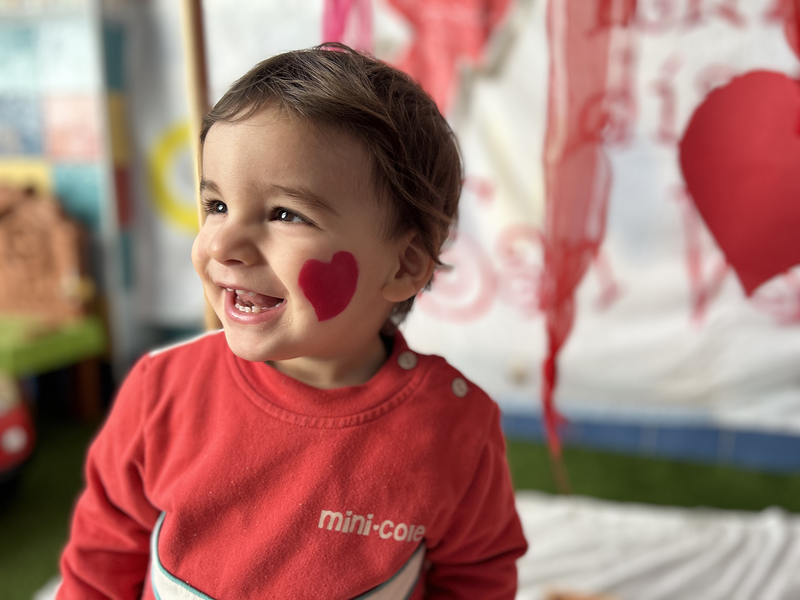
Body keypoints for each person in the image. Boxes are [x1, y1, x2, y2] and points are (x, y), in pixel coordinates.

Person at [58, 43, 527, 599]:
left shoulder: (454, 429)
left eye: (285, 214)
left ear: (403, 266)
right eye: (216, 206)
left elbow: (477, 579)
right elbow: (99, 565)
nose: (224, 244)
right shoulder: (160, 394)